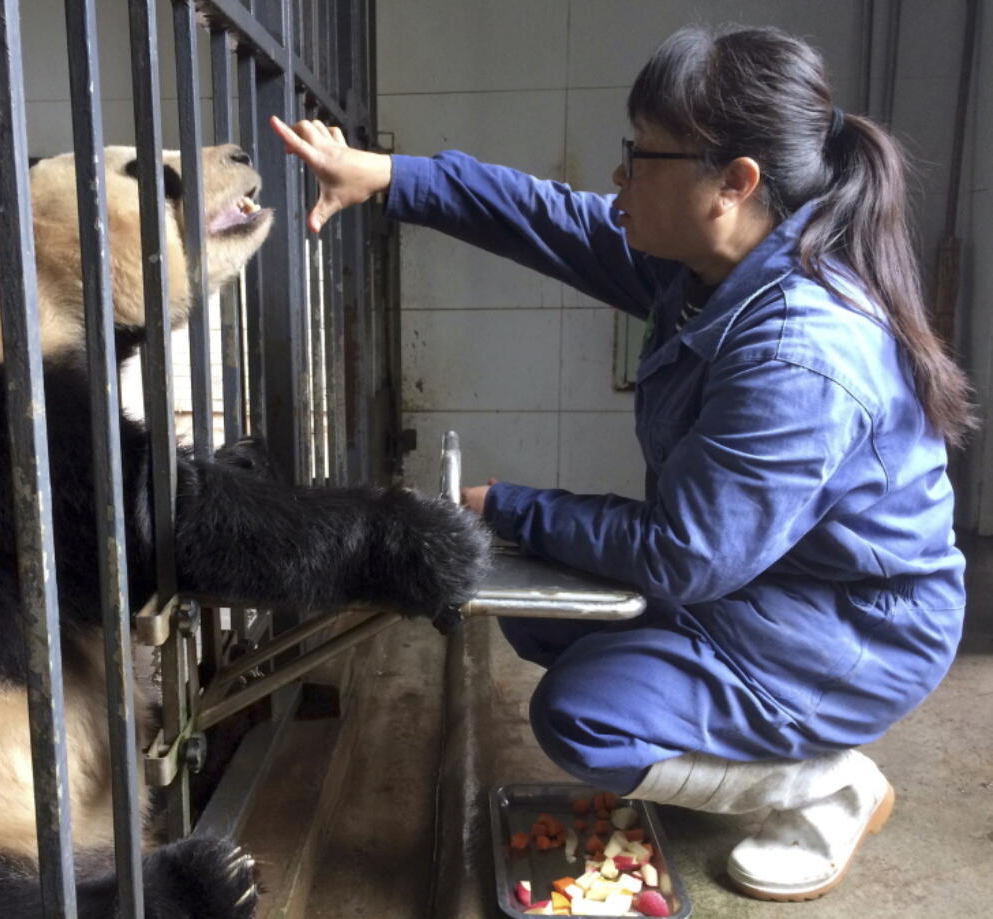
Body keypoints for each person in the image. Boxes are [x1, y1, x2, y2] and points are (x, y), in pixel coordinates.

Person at [271, 25, 973, 902]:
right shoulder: (716, 268)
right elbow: (551, 218)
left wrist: (513, 506)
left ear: (735, 182)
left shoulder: (800, 354)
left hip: (849, 628)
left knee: (582, 715)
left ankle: (821, 783)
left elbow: (687, 554)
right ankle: (759, 743)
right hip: (770, 581)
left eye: (641, 155)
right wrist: (391, 177)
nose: (619, 176)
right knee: (539, 619)